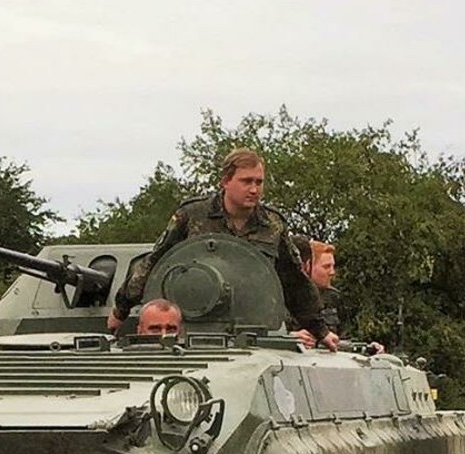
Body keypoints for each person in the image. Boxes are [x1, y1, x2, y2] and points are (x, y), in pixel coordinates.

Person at [107, 148, 331, 347]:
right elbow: (156, 262)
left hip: (251, 329)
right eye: (246, 181)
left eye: (259, 182)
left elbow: (294, 281)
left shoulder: (272, 225)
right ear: (226, 181)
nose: (254, 189)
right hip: (194, 325)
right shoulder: (192, 215)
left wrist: (320, 330)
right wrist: (121, 309)